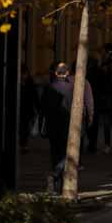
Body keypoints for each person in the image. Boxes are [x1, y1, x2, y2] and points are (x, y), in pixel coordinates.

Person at [42, 63, 74, 194]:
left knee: (55, 155)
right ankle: (55, 176)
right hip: (67, 126)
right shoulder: (71, 88)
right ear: (67, 74)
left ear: (56, 73)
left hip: (52, 125)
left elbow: (42, 107)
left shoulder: (49, 87)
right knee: (66, 155)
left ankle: (55, 186)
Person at [19, 65, 39, 154]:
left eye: (24, 74)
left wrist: (38, 108)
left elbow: (35, 96)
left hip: (27, 109)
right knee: (21, 127)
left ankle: (24, 144)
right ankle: (22, 143)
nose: (23, 76)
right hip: (19, 109)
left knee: (25, 127)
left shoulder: (30, 83)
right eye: (22, 74)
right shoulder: (17, 83)